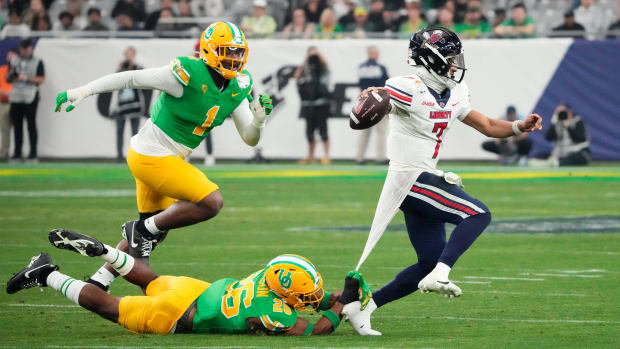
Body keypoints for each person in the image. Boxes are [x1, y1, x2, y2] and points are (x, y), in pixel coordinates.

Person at [342, 27, 542, 335]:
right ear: (429, 58)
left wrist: (519, 126)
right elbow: (364, 111)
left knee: (428, 260)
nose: (455, 64)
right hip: (409, 178)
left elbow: (488, 125)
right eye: (450, 58)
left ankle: (364, 307)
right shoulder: (406, 86)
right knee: (477, 213)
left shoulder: (454, 91)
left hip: (425, 177)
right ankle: (441, 274)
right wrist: (369, 100)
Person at [54, 22, 273, 292]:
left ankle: (99, 281)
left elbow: (249, 138)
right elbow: (131, 78)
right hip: (151, 157)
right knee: (211, 202)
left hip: (162, 158)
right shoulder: (186, 73)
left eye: (239, 53)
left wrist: (259, 121)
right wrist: (82, 91)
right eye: (229, 51)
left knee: (152, 232)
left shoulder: (239, 84)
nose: (235, 58)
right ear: (211, 49)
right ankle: (141, 230)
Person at [7, 228, 365, 336]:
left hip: (196, 289)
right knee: (107, 306)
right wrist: (337, 308)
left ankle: (107, 253)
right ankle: (46, 272)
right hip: (177, 315)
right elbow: (312, 329)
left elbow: (300, 300)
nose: (311, 295)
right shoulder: (273, 312)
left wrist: (337, 295)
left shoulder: (266, 278)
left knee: (151, 279)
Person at [7, 38, 45, 162]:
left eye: (27, 48)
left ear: (31, 48)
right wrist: (11, 74)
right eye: (22, 49)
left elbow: (41, 79)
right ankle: (17, 153)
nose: (24, 51)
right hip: (16, 97)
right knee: (17, 126)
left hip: (30, 97)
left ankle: (32, 153)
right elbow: (8, 78)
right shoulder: (14, 60)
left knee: (31, 125)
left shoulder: (38, 61)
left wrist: (26, 78)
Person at [294, 47, 331, 165]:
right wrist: (306, 60)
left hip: (321, 105)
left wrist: (318, 55)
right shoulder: (305, 70)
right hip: (308, 105)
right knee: (309, 132)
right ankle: (311, 156)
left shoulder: (322, 71)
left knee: (323, 131)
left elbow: (326, 66)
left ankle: (326, 156)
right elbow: (296, 77)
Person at [356, 46, 389, 165]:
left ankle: (359, 157)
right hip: (378, 102)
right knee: (381, 131)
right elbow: (385, 86)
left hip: (365, 102)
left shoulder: (361, 67)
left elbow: (360, 85)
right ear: (373, 53)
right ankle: (380, 157)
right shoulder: (380, 68)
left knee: (364, 131)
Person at [113, 47, 145, 163]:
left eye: (131, 54)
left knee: (135, 133)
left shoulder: (138, 68)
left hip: (135, 106)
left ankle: (134, 155)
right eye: (127, 54)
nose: (129, 56)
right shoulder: (121, 69)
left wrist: (131, 65)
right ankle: (119, 156)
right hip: (121, 106)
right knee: (119, 131)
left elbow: (142, 78)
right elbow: (115, 80)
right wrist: (123, 67)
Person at [0, 50, 15, 162]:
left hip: (17, 102)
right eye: (9, 57)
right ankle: (4, 153)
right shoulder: (2, 71)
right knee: (5, 129)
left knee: (19, 129)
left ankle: (18, 153)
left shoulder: (20, 70)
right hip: (4, 102)